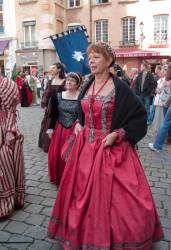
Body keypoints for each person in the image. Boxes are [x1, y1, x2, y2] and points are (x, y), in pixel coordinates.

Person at [48, 42, 163, 249]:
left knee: (119, 199)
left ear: (109, 60)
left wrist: (118, 134)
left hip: (109, 148)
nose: (91, 61)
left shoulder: (120, 88)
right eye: (89, 57)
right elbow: (82, 110)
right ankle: (80, 233)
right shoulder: (87, 84)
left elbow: (139, 117)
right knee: (79, 193)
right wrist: (78, 124)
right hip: (84, 149)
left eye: (96, 57)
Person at [47, 72, 82, 185]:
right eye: (67, 80)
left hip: (75, 130)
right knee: (57, 154)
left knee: (72, 154)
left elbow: (84, 115)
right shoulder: (57, 96)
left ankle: (72, 178)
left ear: (78, 84)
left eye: (72, 80)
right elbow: (53, 114)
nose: (69, 82)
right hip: (60, 129)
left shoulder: (82, 97)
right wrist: (50, 128)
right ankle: (59, 176)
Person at [0, 76, 25, 218]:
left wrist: (10, 130)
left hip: (3, 127)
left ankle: (8, 199)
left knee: (4, 160)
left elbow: (11, 110)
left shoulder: (6, 84)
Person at [38, 63, 65, 153]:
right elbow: (46, 94)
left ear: (59, 69)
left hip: (62, 108)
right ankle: (49, 144)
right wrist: (44, 105)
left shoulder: (65, 81)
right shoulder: (51, 81)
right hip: (51, 107)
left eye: (53, 68)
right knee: (48, 124)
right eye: (51, 68)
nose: (51, 70)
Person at [149, 64, 171, 152]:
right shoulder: (165, 80)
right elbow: (158, 90)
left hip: (166, 103)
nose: (165, 71)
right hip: (165, 102)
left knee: (165, 123)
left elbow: (160, 90)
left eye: (166, 69)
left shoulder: (167, 81)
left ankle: (157, 145)